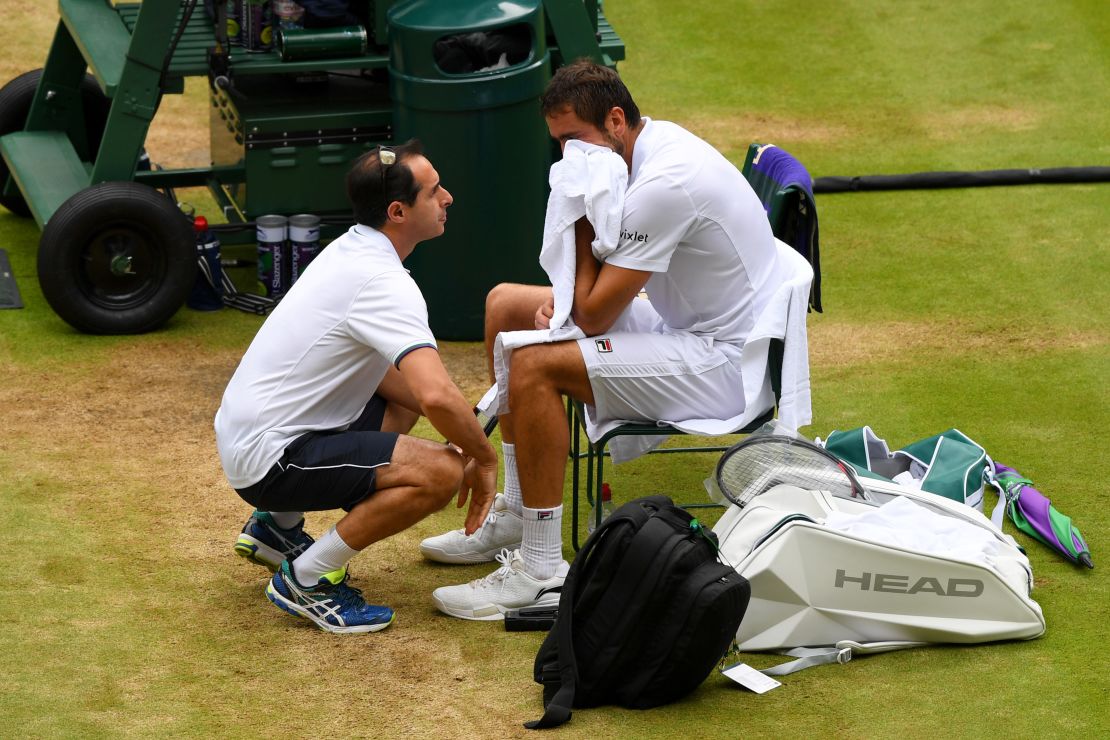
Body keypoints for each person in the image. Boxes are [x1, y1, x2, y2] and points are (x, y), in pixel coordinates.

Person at [422, 60, 786, 620]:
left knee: (536, 366)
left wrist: (580, 212)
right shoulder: (635, 152)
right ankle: (519, 512)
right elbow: (588, 303)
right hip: (681, 327)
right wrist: (563, 300)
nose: (569, 158)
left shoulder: (666, 185)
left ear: (617, 120)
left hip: (722, 366)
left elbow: (591, 317)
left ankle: (543, 569)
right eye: (559, 145)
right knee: (504, 303)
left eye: (575, 140)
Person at [215, 140, 498, 634]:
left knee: (401, 399)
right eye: (434, 192)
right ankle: (307, 578)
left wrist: (460, 419)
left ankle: (276, 528)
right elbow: (433, 394)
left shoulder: (351, 247)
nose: (448, 198)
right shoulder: (385, 283)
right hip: (272, 459)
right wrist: (481, 455)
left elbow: (411, 389)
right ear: (398, 211)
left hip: (251, 437)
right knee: (440, 472)